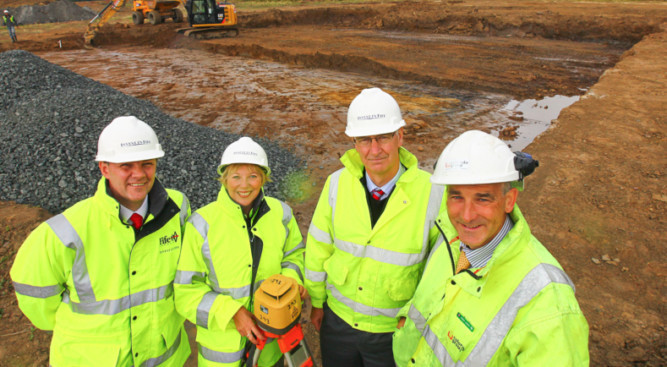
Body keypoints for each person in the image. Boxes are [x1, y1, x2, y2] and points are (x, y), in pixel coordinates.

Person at [392, 130, 589, 366]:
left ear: (509, 200)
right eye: (457, 197)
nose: (466, 215)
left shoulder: (547, 303)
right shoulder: (449, 238)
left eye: (482, 199)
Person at [10, 116, 192, 366]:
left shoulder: (178, 208)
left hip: (164, 358)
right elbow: (39, 307)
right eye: (126, 165)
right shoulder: (64, 232)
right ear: (105, 168)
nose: (138, 174)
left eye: (147, 164)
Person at [305, 88, 445, 367]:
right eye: (365, 140)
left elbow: (442, 267)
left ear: (400, 136)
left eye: (383, 137)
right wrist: (318, 301)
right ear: (354, 143)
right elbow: (319, 246)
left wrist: (415, 317)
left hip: (394, 331)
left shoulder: (433, 193)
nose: (375, 149)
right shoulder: (336, 185)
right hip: (338, 324)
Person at [174, 136, 305, 366]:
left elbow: (294, 257)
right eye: (236, 177)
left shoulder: (281, 214)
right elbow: (186, 292)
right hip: (222, 354)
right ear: (224, 179)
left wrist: (289, 285)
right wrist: (232, 313)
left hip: (272, 345)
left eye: (253, 176)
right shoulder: (202, 224)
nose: (244, 185)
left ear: (263, 178)